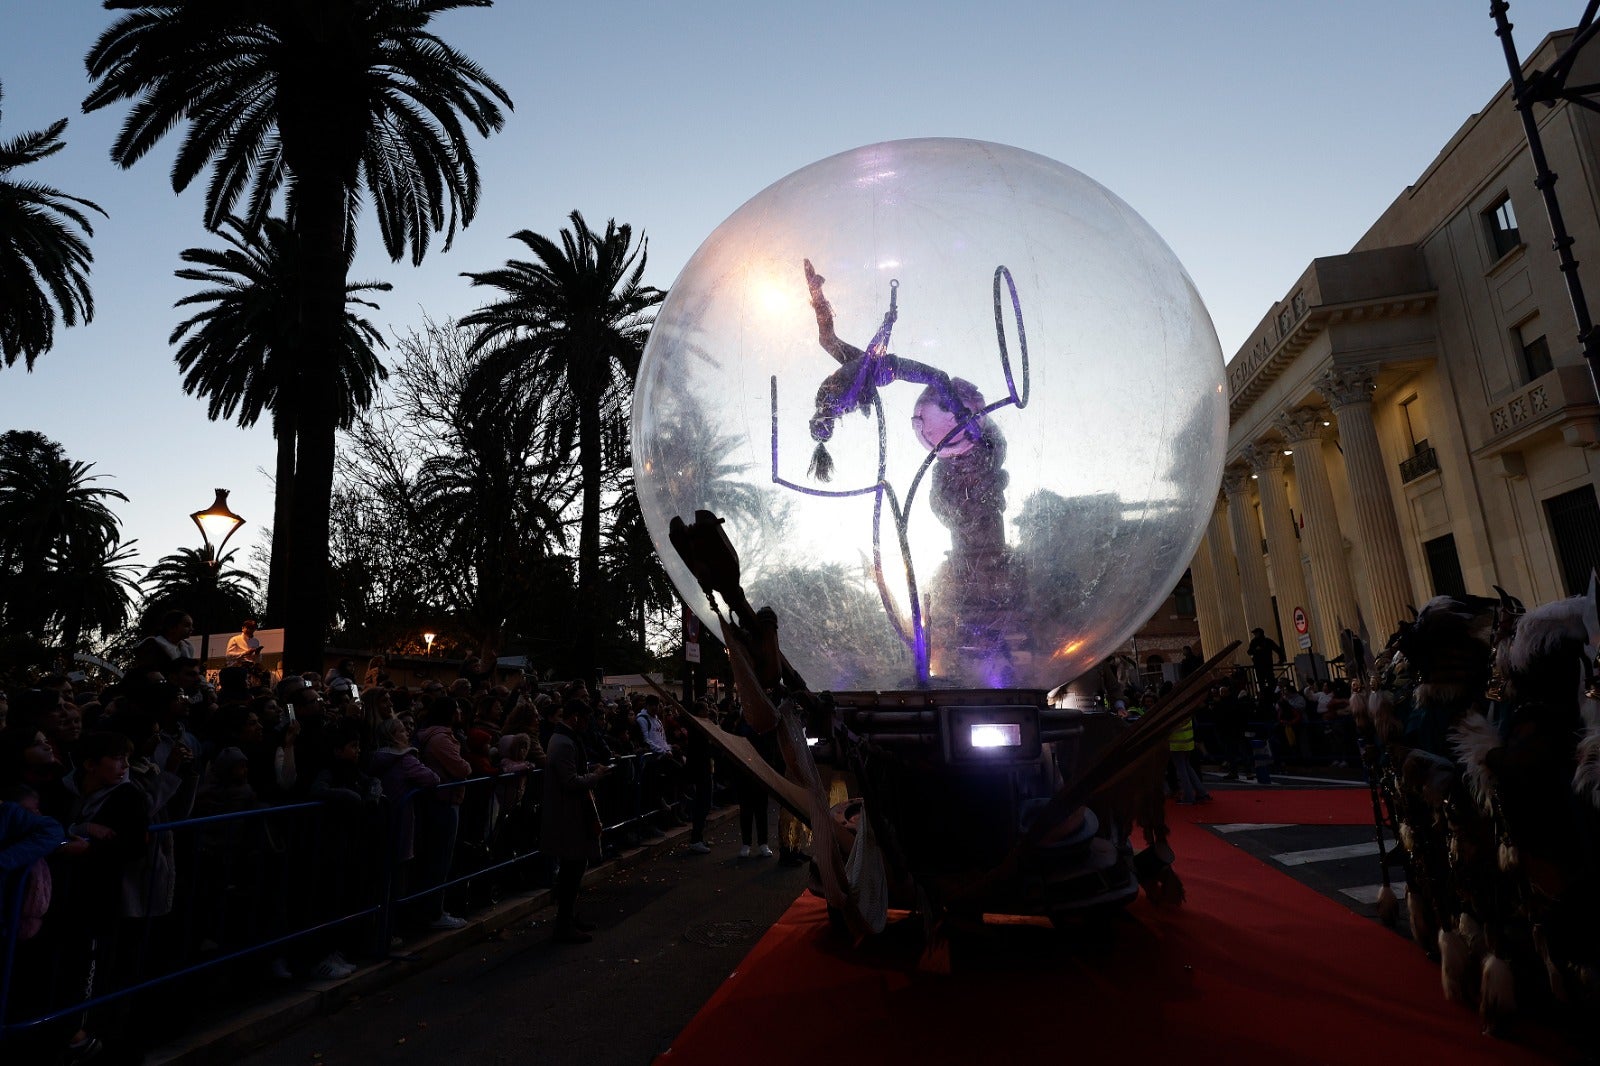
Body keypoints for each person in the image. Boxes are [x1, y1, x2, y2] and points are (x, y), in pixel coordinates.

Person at [542, 698, 612, 944]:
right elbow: (570, 781)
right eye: (585, 719)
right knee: (571, 869)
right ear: (575, 718)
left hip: (573, 811)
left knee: (576, 868)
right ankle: (564, 923)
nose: (588, 724)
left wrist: (591, 768)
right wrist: (595, 775)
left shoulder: (566, 740)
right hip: (568, 814)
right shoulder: (563, 743)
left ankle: (570, 916)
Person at [1247, 627, 1284, 695]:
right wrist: (1256, 650)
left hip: (1267, 665)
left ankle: (1272, 695)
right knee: (1262, 683)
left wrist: (1281, 659)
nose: (1254, 634)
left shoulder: (1267, 641)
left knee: (1270, 682)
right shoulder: (1254, 642)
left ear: (1260, 633)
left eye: (1256, 633)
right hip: (1259, 666)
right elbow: (1249, 652)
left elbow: (1277, 649)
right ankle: (1265, 696)